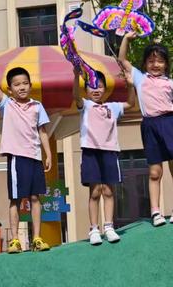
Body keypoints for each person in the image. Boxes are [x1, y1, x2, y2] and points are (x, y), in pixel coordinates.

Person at [0, 62, 51, 253]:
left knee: (36, 198)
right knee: (16, 199)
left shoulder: (37, 106)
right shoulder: (7, 104)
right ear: (10, 89)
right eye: (17, 84)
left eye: (25, 83)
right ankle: (15, 240)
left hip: (35, 157)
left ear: (30, 85)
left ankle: (36, 238)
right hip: (17, 158)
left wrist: (48, 154)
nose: (22, 87)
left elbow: (42, 131)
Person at [73, 68, 135, 245]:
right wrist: (74, 75)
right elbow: (75, 96)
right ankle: (94, 228)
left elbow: (130, 104)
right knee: (95, 191)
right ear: (86, 90)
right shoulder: (85, 105)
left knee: (108, 190)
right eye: (92, 86)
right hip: (90, 151)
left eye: (100, 87)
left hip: (109, 151)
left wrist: (130, 86)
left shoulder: (113, 107)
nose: (96, 90)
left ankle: (109, 226)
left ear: (105, 90)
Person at [119, 32, 173, 226]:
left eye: (159, 61)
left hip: (170, 122)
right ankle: (155, 212)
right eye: (151, 61)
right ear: (145, 65)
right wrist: (126, 39)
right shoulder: (140, 79)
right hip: (149, 125)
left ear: (166, 64)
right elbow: (122, 59)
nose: (155, 64)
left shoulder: (170, 83)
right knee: (154, 172)